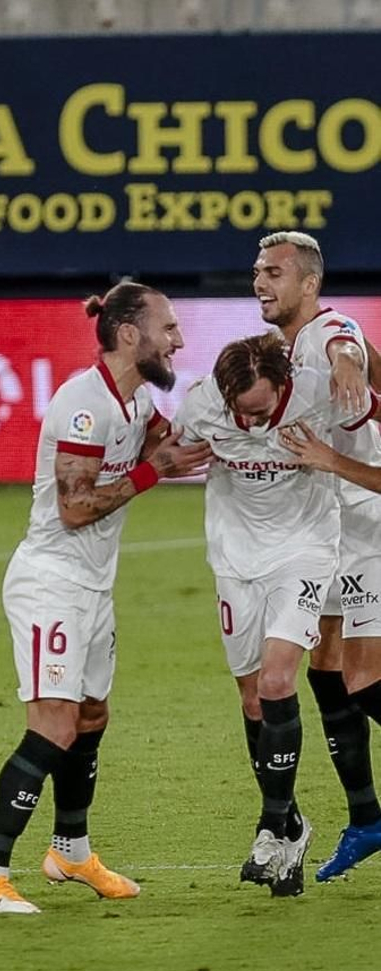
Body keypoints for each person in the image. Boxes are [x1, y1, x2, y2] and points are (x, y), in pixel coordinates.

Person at [0, 283, 210, 915]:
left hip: (94, 586)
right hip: (53, 582)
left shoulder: (133, 402)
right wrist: (157, 471)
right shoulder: (83, 403)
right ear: (131, 335)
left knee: (92, 716)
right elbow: (74, 508)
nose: (177, 339)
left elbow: (171, 440)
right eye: (169, 327)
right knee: (55, 723)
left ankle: (70, 851)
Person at [174, 333, 380, 896]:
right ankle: (291, 825)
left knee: (277, 678)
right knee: (251, 699)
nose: (252, 421)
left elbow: (372, 448)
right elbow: (168, 451)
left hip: (307, 552)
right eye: (242, 411)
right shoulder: (202, 404)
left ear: (285, 387)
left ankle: (269, 828)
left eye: (262, 409)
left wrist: (330, 451)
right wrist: (167, 462)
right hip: (234, 563)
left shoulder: (324, 395)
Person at [254, 231, 381, 881]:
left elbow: (347, 344)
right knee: (327, 672)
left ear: (309, 284)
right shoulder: (285, 347)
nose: (260, 280)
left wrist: (350, 365)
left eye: (274, 270)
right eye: (256, 269)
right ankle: (366, 818)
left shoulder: (330, 330)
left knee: (365, 679)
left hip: (371, 532)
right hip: (335, 536)